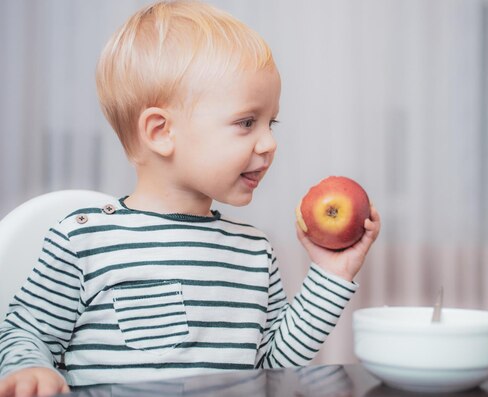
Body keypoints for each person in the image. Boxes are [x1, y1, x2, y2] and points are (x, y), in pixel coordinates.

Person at [0, 1, 381, 396]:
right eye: (247, 122)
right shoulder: (84, 241)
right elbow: (24, 333)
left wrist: (332, 275)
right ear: (162, 132)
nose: (269, 143)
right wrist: (31, 369)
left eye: (272, 123)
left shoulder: (253, 251)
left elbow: (271, 369)